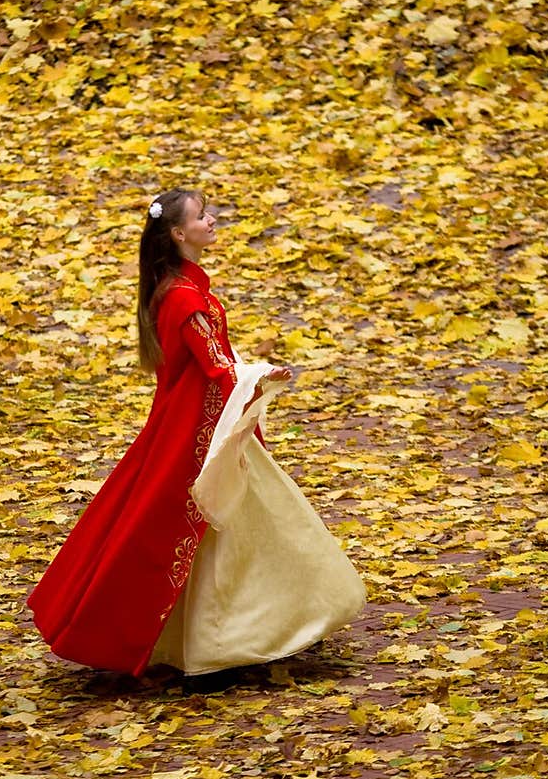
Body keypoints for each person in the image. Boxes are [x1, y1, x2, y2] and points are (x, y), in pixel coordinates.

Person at [26, 188, 366, 678]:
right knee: (217, 518)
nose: (212, 221)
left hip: (198, 420)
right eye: (201, 217)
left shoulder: (181, 287)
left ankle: (230, 633)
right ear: (179, 233)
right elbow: (217, 368)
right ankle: (235, 637)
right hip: (197, 429)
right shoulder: (184, 297)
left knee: (223, 524)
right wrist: (264, 377)